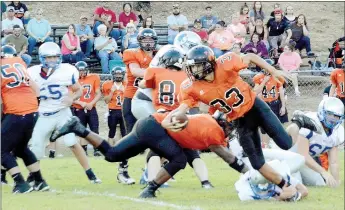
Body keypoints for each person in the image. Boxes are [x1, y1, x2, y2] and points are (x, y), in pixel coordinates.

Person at [161, 45, 319, 197]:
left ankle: (298, 121)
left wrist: (272, 70)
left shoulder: (224, 63)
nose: (192, 71)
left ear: (208, 64)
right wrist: (168, 119)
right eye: (191, 67)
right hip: (239, 120)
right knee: (257, 163)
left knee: (286, 143)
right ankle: (285, 187)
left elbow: (250, 56)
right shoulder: (191, 86)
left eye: (196, 66)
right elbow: (183, 108)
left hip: (255, 108)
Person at [50, 111, 249, 198]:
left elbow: (188, 139)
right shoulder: (212, 129)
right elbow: (225, 155)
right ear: (223, 123)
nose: (231, 130)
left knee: (112, 155)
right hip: (156, 128)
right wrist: (247, 172)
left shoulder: (206, 122)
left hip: (148, 124)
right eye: (231, 126)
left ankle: (78, 128)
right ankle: (150, 189)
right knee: (179, 160)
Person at [138, 48, 214, 189]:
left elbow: (141, 84)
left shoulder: (155, 72)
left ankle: (153, 181)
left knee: (155, 150)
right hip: (182, 116)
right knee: (192, 153)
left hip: (162, 115)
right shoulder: (188, 77)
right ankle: (205, 182)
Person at [27, 42, 101, 184]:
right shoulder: (32, 72)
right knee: (36, 147)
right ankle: (34, 177)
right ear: (42, 58)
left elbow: (78, 90)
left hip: (62, 112)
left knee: (72, 142)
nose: (52, 60)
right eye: (48, 58)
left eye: (55, 57)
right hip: (43, 114)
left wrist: (71, 98)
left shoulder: (66, 70)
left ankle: (90, 173)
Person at [1, 45, 49, 193]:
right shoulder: (20, 63)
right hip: (32, 110)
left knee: (2, 150)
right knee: (21, 149)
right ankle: (40, 181)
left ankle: (21, 183)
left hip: (16, 111)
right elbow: (37, 90)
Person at [119, 28, 158, 185]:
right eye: (145, 39)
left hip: (151, 100)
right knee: (131, 137)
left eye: (151, 39)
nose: (148, 42)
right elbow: (135, 71)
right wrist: (158, 71)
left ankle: (152, 170)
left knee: (157, 135)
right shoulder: (131, 53)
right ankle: (122, 171)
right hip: (132, 98)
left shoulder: (158, 56)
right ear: (139, 41)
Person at [285, 97, 344, 187]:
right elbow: (303, 154)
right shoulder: (310, 122)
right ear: (322, 112)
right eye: (330, 115)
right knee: (296, 183)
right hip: (289, 156)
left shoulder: (338, 131)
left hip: (306, 161)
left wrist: (335, 181)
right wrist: (323, 172)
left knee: (320, 183)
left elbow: (334, 162)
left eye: (336, 116)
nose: (333, 119)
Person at [235, 149, 308, 201]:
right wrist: (281, 198)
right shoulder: (246, 191)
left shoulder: (281, 174)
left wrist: (294, 195)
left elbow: (304, 190)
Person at [71, 61, 102, 157]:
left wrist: (91, 103)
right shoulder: (72, 80)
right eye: (80, 71)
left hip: (91, 108)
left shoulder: (94, 77)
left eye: (83, 70)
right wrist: (82, 103)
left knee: (94, 129)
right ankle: (84, 151)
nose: (82, 73)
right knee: (81, 131)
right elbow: (69, 97)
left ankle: (96, 149)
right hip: (78, 109)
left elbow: (98, 93)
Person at [253, 70, 288, 147]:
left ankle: (277, 144)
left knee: (277, 125)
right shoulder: (258, 77)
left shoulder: (277, 77)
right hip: (264, 104)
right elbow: (256, 91)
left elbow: (281, 93)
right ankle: (265, 144)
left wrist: (283, 106)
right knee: (264, 126)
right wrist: (264, 80)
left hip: (274, 103)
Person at [101, 67, 126, 146]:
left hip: (124, 110)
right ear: (113, 75)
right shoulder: (107, 85)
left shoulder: (127, 85)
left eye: (120, 74)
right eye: (117, 74)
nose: (118, 76)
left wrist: (124, 91)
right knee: (111, 131)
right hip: (113, 110)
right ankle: (109, 149)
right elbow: (106, 101)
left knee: (125, 132)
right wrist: (112, 91)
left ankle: (125, 149)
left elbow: (130, 99)